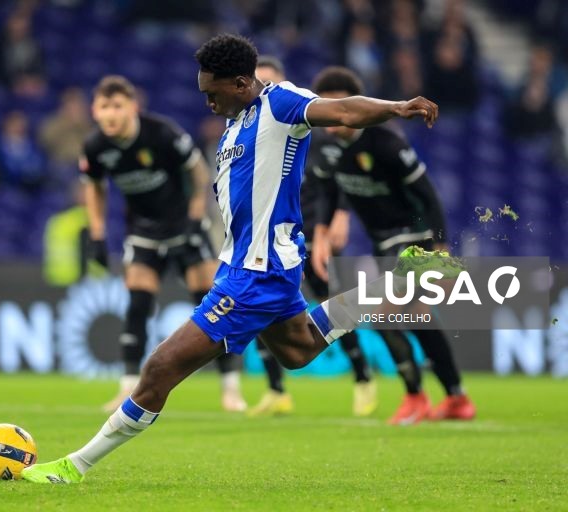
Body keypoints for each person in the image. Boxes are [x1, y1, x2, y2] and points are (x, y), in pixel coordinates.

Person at [22, 33, 445, 484]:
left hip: (257, 274)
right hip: (247, 266)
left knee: (161, 367)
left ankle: (75, 467)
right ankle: (370, 301)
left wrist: (396, 107)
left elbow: (340, 110)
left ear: (242, 82)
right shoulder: (233, 125)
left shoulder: (280, 104)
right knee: (298, 349)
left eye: (212, 93)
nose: (207, 102)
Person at [309, 66, 476, 424]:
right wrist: (322, 232)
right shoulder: (328, 148)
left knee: (380, 311)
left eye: (340, 107)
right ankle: (457, 398)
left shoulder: (386, 142)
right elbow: (327, 189)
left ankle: (415, 396)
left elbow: (428, 195)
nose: (332, 115)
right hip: (382, 243)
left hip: (412, 239)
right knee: (417, 318)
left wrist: (442, 249)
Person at [80, 75, 246, 413]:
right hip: (143, 231)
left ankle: (231, 389)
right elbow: (94, 188)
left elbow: (199, 173)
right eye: (103, 106)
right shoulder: (96, 147)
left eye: (117, 106)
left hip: (184, 224)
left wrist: (197, 218)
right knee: (137, 305)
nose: (110, 114)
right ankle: (126, 388)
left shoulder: (162, 133)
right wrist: (97, 233)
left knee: (212, 307)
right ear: (94, 111)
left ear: (133, 107)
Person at [250, 56, 376, 418]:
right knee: (254, 309)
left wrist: (339, 216)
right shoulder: (245, 135)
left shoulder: (308, 133)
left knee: (327, 307)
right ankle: (276, 390)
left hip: (303, 235)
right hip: (264, 240)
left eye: (271, 83)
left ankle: (363, 377)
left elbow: (335, 179)